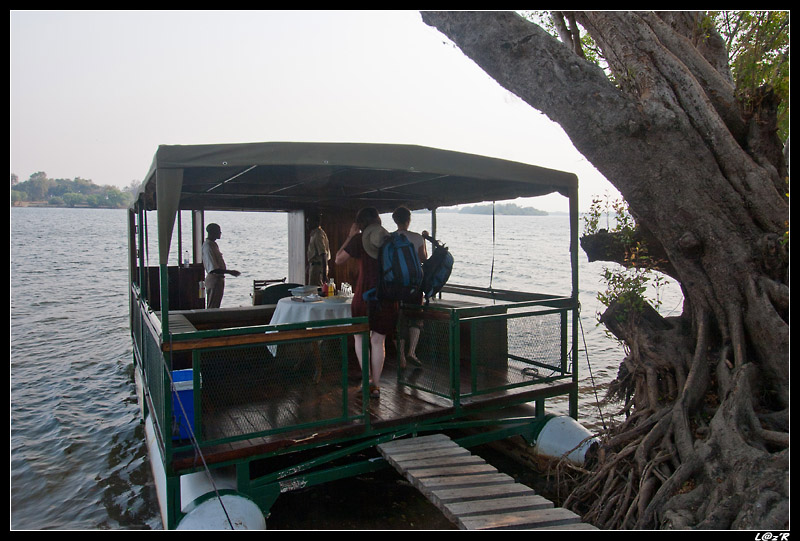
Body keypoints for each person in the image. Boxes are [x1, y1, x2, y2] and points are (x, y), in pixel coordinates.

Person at [334, 207, 396, 399]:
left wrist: (350, 235)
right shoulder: (389, 238)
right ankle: (376, 386)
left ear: (360, 223)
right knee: (379, 341)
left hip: (364, 296)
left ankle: (367, 379)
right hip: (388, 297)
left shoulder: (359, 240)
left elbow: (337, 259)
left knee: (360, 338)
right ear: (378, 220)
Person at [391, 206, 428, 368]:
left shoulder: (389, 238)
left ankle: (401, 357)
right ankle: (412, 352)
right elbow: (424, 258)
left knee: (397, 318)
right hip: (415, 283)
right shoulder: (418, 238)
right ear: (408, 220)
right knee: (415, 317)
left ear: (395, 220)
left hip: (395, 283)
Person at [202, 223, 240, 308]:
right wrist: (230, 272)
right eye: (218, 231)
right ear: (213, 232)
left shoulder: (213, 244)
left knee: (216, 304)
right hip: (214, 278)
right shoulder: (208, 246)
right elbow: (213, 269)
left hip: (218, 279)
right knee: (213, 306)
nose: (220, 233)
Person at [306, 212, 330, 287]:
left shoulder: (318, 234)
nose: (307, 224)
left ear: (316, 222)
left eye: (309, 222)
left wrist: (324, 275)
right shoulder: (314, 234)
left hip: (318, 268)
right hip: (314, 266)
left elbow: (323, 254)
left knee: (316, 291)